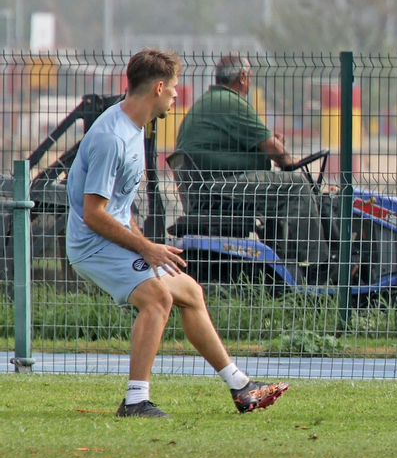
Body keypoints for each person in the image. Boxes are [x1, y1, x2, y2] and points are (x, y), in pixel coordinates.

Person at [66, 49, 289, 418]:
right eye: (172, 88)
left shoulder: (134, 128)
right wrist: (145, 249)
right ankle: (136, 401)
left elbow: (118, 210)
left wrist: (145, 245)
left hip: (110, 237)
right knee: (157, 299)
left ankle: (241, 388)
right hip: (91, 246)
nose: (175, 95)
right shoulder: (112, 138)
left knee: (189, 291)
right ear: (157, 88)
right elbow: (94, 214)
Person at [173, 54, 328, 269]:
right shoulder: (230, 101)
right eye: (251, 77)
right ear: (243, 77)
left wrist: (269, 145)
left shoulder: (213, 101)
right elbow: (278, 153)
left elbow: (249, 141)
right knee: (296, 185)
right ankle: (322, 266)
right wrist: (284, 156)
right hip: (217, 188)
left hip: (207, 186)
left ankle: (284, 261)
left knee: (279, 187)